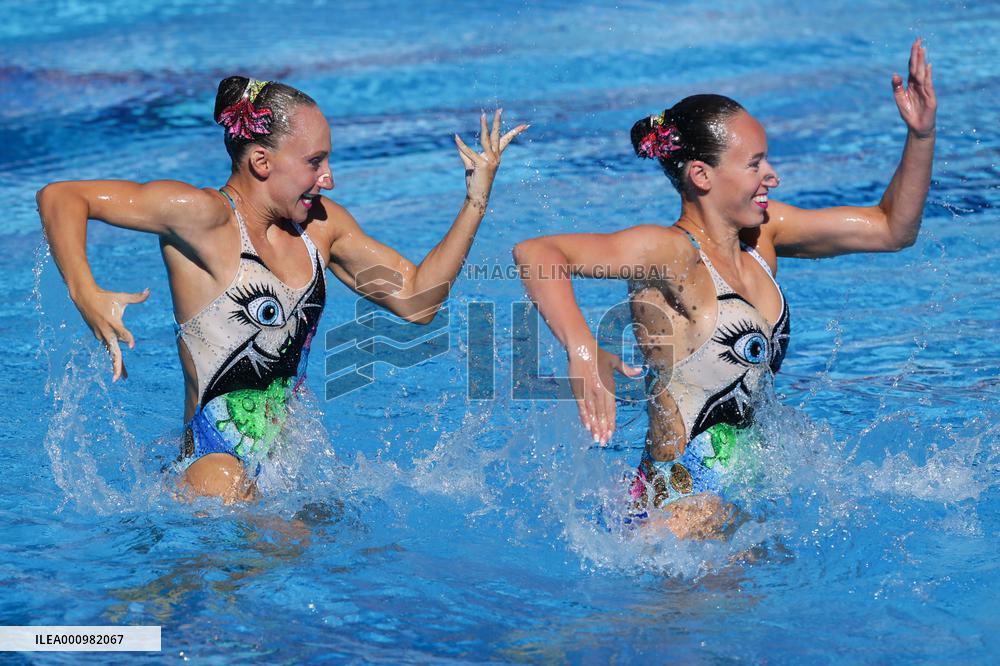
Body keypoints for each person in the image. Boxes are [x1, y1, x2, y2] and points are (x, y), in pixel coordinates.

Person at [513, 39, 935, 538]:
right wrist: (582, 351)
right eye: (755, 164)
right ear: (702, 175)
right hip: (680, 507)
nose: (771, 176)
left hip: (743, 496)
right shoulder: (669, 252)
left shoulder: (764, 236)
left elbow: (892, 229)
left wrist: (921, 135)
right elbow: (537, 254)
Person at [37, 76, 527, 502]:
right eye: (315, 162)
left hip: (284, 470)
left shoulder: (320, 230)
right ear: (261, 161)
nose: (328, 179)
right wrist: (86, 291)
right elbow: (61, 197)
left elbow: (419, 301)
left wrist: (476, 199)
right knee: (235, 504)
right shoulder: (204, 219)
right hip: (210, 468)